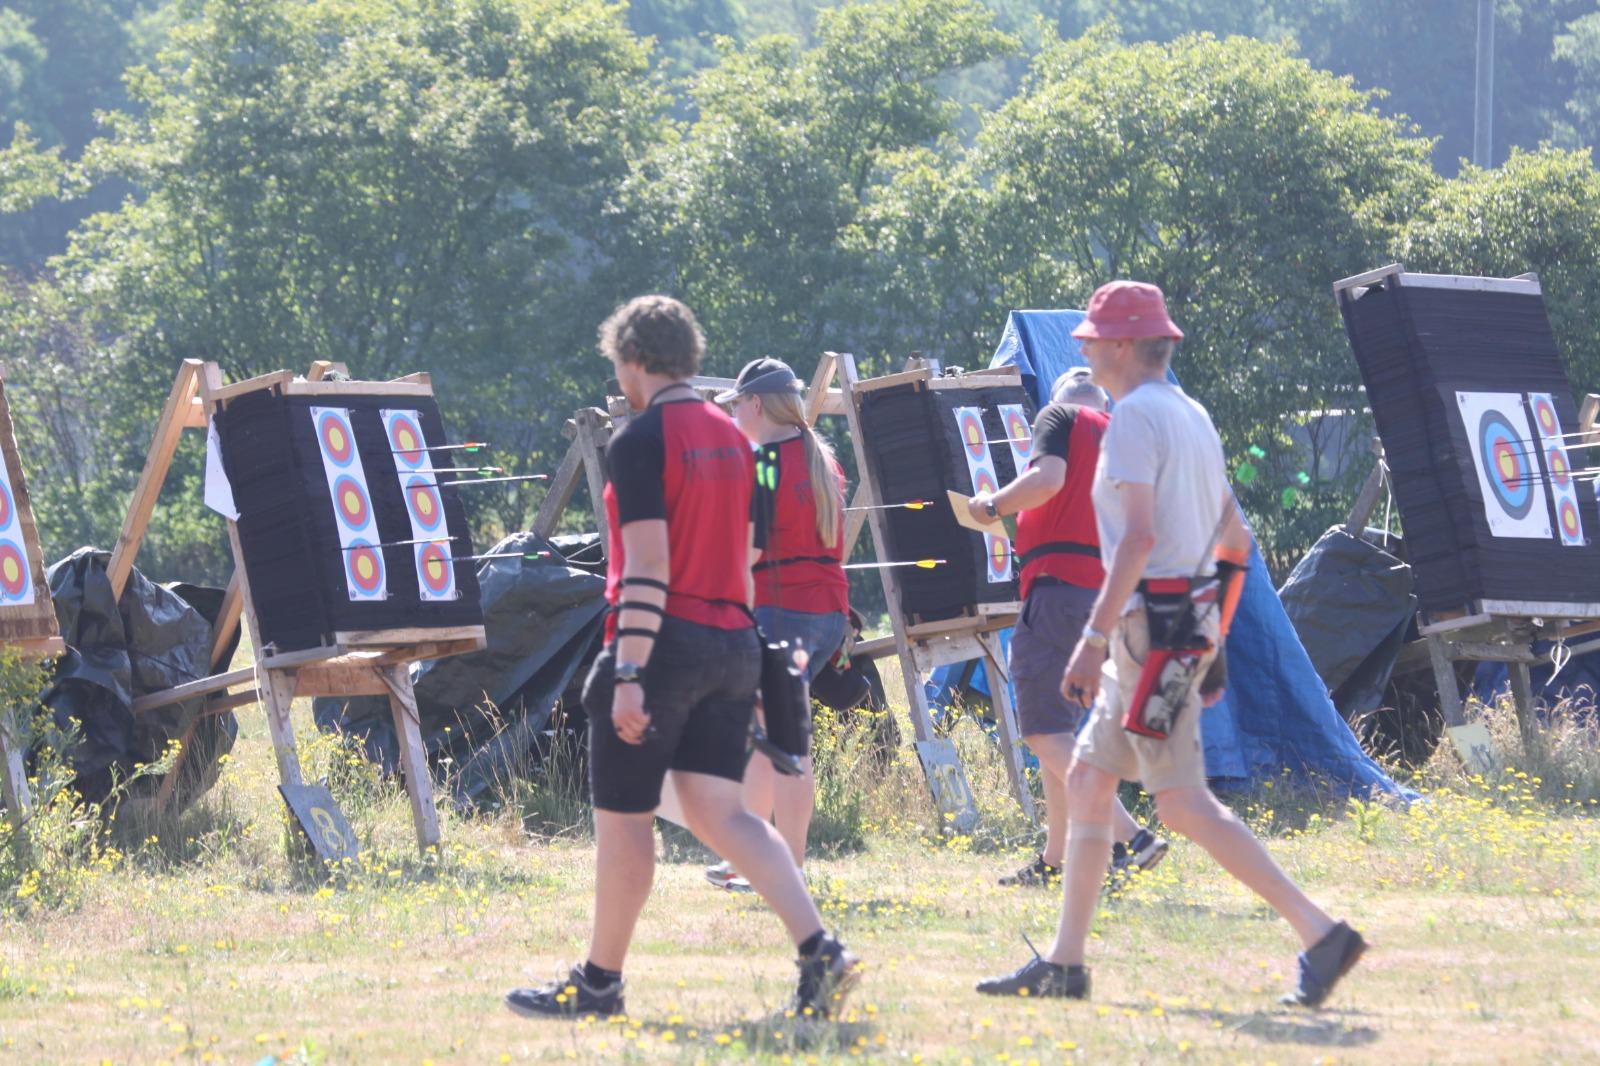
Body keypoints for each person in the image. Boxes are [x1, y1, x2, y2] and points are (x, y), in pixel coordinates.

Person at [977, 281, 1365, 1007]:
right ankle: (1065, 963)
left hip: (1149, 632)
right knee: (1088, 782)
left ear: (1123, 346)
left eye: (1093, 337)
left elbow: (1140, 539)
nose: (1083, 347)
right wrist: (1211, 637)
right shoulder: (1193, 415)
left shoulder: (1131, 419)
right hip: (1178, 626)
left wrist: (1093, 638)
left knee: (1181, 804)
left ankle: (1321, 933)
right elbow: (1234, 541)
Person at [505, 296, 859, 1020]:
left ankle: (600, 982)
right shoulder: (739, 442)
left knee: (623, 819)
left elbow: (645, 564)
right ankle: (821, 950)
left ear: (633, 360)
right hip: (733, 641)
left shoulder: (641, 440)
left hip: (664, 642)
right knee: (722, 812)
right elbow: (748, 551)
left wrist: (630, 671)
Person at [967, 368, 1167, 890]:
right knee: (1058, 736)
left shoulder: (1060, 418)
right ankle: (1055, 861)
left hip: (1057, 594)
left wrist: (991, 505)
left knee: (1041, 732)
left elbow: (1049, 480)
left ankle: (1130, 837)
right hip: (1107, 602)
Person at [702, 357, 850, 893]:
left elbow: (748, 550)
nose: (732, 415)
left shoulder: (763, 462)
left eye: (736, 405)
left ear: (756, 404)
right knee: (768, 739)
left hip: (784, 613)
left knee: (786, 745)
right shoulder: (821, 458)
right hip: (824, 612)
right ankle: (748, 855)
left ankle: (787, 870)